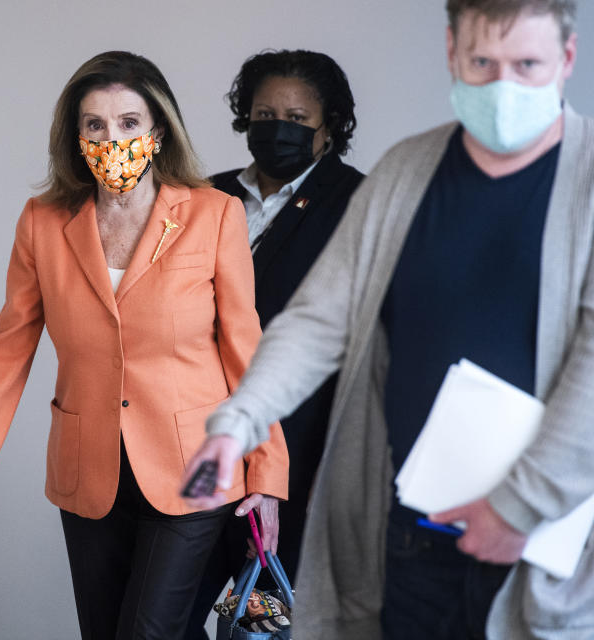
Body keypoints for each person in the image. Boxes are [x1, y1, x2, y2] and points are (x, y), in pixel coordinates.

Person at [184, 1, 594, 638]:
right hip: (402, 531)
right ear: (453, 52)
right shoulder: (407, 172)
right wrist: (241, 420)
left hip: (537, 541)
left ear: (566, 60)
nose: (503, 85)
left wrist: (519, 508)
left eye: (527, 64)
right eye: (483, 61)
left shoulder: (588, 182)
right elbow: (321, 319)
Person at [0, 50, 289, 640]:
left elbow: (245, 350)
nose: (113, 138)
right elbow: (6, 349)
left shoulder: (214, 215)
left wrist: (268, 473)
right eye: (95, 124)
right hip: (88, 471)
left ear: (159, 129)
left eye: (130, 122)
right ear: (76, 137)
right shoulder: (42, 223)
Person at [189, 49, 363, 636]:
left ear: (329, 126)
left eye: (296, 116)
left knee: (260, 623)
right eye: (264, 114)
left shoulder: (357, 204)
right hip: (194, 443)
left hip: (296, 456)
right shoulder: (202, 197)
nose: (278, 128)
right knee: (165, 617)